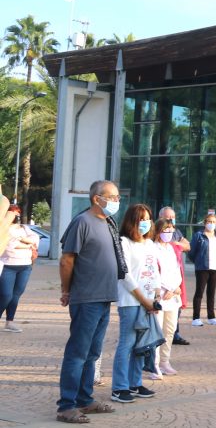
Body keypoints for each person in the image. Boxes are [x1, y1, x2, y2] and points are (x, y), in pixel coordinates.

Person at [56, 180, 124, 423]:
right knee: (78, 352)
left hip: (104, 297)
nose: (117, 201)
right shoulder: (82, 222)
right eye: (113, 196)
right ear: (97, 199)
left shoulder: (108, 223)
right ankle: (66, 405)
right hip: (87, 298)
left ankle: (85, 399)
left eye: (117, 196)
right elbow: (66, 260)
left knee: (93, 352)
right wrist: (66, 290)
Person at [111, 204, 161, 403]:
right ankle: (119, 387)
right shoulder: (124, 243)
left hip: (149, 301)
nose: (145, 223)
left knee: (143, 344)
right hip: (131, 301)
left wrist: (155, 297)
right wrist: (144, 299)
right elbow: (126, 275)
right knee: (128, 343)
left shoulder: (149, 243)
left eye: (148, 218)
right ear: (132, 221)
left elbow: (154, 271)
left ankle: (135, 382)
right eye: (141, 219)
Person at [153, 219, 184, 379]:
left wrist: (176, 287)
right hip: (160, 294)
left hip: (173, 296)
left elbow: (177, 269)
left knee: (169, 330)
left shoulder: (172, 248)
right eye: (166, 230)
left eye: (171, 230)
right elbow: (155, 272)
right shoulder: (152, 248)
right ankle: (154, 364)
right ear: (158, 231)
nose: (169, 233)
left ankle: (165, 361)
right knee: (157, 330)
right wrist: (168, 288)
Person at [157, 206, 191, 347]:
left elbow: (187, 245)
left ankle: (174, 334)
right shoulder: (155, 237)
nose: (171, 220)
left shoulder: (176, 232)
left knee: (173, 316)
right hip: (161, 288)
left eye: (173, 217)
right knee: (160, 322)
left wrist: (175, 244)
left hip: (176, 281)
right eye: (168, 217)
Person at [1, 205, 37, 332]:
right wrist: (28, 245)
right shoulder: (3, 228)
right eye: (13, 213)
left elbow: (35, 239)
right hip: (8, 265)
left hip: (25, 266)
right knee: (6, 295)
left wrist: (22, 240)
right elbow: (9, 245)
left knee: (16, 295)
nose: (16, 215)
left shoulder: (24, 228)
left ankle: (9, 322)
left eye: (17, 213)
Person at [189, 213, 216, 327]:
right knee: (199, 292)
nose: (211, 224)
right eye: (209, 222)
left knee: (211, 293)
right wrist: (198, 262)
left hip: (215, 268)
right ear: (205, 223)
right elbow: (191, 252)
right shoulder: (198, 235)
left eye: (214, 222)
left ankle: (211, 317)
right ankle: (196, 318)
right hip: (202, 268)